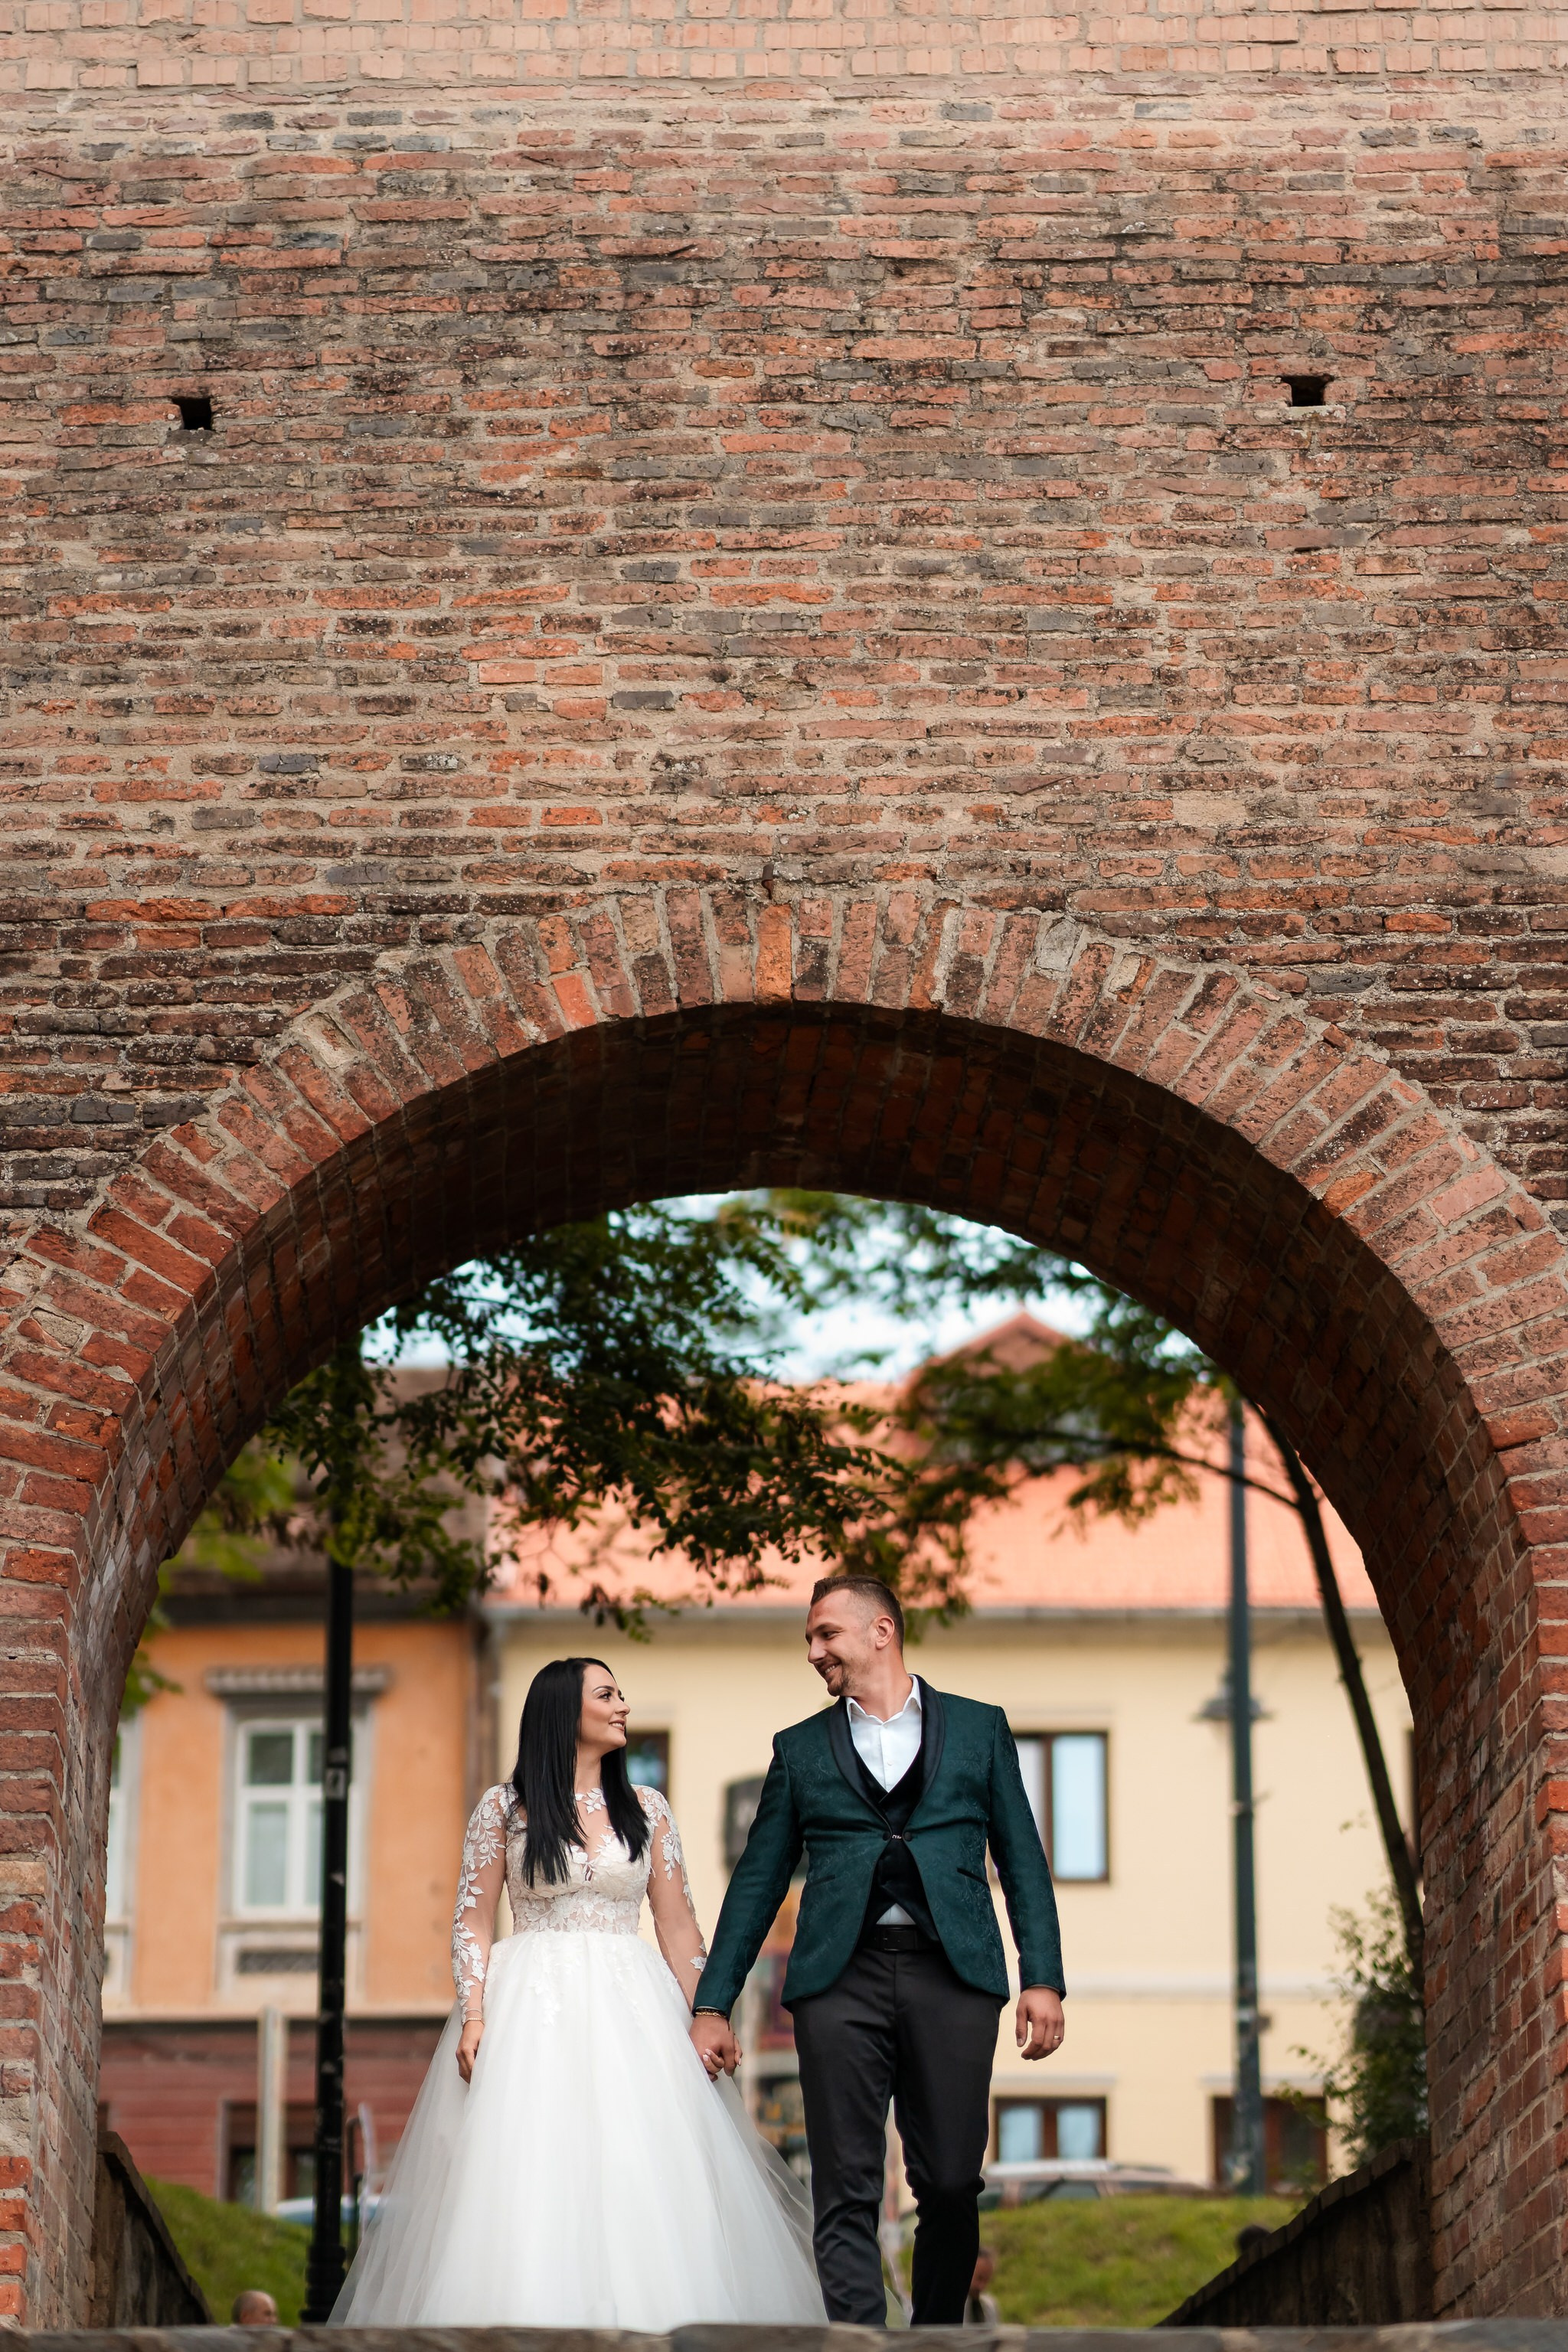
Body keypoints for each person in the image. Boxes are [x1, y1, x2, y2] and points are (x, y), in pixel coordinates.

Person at [330, 1658, 824, 2328]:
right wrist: (474, 2012)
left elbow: (679, 1927)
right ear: (565, 1712)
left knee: (641, 2167)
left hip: (634, 2010)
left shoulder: (648, 1809)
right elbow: (472, 1921)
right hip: (531, 2007)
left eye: (621, 1693)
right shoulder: (504, 1808)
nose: (623, 1705)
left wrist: (711, 2013)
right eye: (607, 1694)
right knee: (529, 2166)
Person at [691, 1574, 1066, 2328]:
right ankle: (859, 2345)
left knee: (953, 2181)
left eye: (825, 1634)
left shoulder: (978, 1729)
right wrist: (711, 2002)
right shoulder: (798, 1750)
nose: (812, 1652)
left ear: (880, 1632)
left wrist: (1043, 1979)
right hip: (838, 1980)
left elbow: (1021, 1859)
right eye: (808, 1638)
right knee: (846, 2186)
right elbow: (758, 1881)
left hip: (953, 1974)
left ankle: (934, 2338)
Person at [965, 2246, 1001, 2325]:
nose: (982, 2286)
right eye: (979, 2278)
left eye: (986, 2280)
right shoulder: (952, 2305)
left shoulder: (990, 2306)